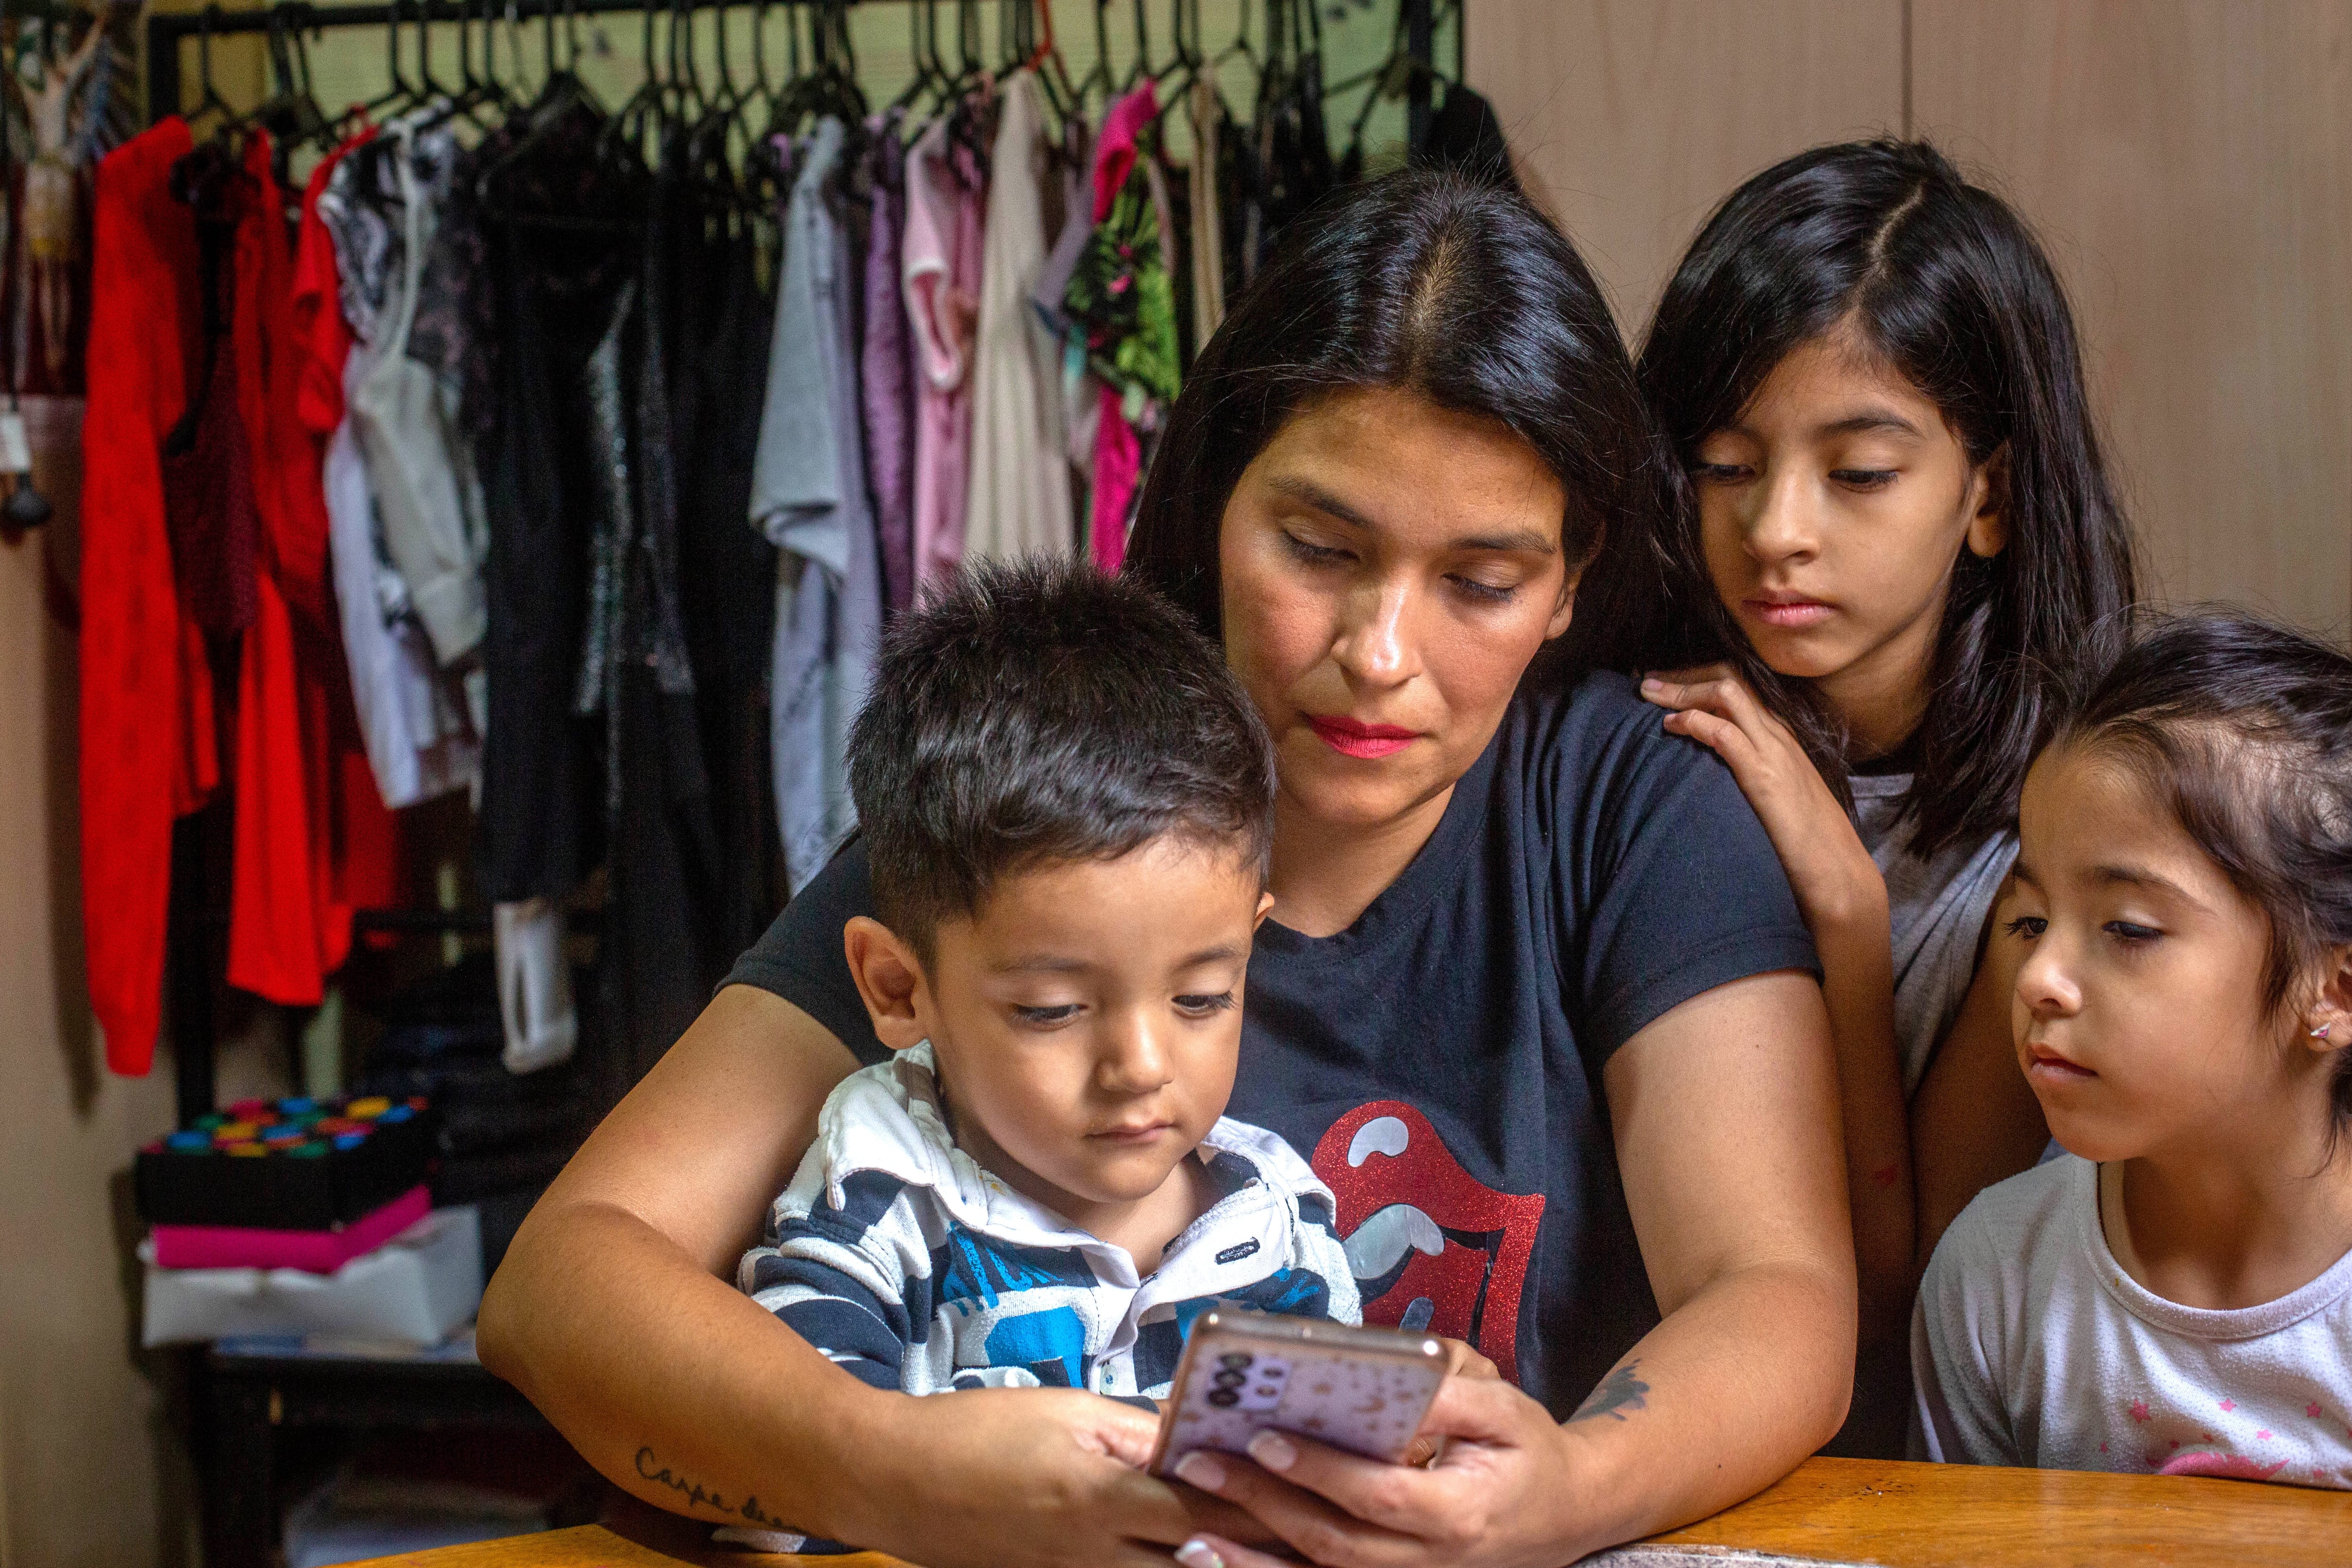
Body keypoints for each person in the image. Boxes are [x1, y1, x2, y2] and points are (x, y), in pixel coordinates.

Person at [478, 170, 1855, 1568]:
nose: (1380, 652)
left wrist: (1568, 1489)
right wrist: (885, 1470)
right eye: (1319, 549)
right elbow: (564, 1277)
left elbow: (1780, 1290)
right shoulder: (1046, 800)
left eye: (1482, 583)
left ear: (1572, 578)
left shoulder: (1634, 805)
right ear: (1210, 505)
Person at [1632, 139, 2137, 1444]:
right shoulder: (1638, 746)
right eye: (1726, 464)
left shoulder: (2064, 818)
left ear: (1991, 493)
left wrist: (1848, 919)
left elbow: (1897, 1277)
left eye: (1858, 472)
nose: (1777, 529)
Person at [718, 560, 1361, 1554]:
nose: (1142, 1063)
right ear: (898, 987)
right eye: (1053, 1008)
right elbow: (797, 1485)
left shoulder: (1278, 1216)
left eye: (1201, 996)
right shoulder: (887, 1197)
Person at [1914, 612, 2352, 1487]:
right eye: (2031, 921)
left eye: (2128, 928)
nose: (2038, 975)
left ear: (2334, 990)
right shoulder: (1997, 1277)